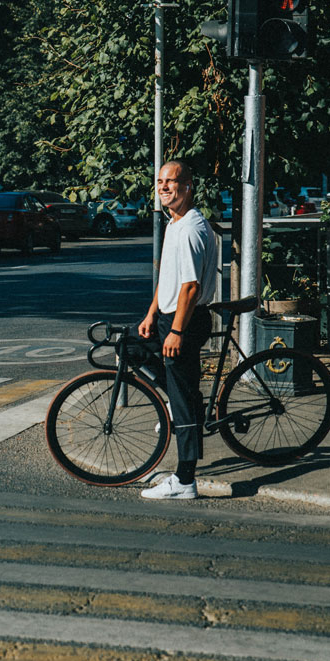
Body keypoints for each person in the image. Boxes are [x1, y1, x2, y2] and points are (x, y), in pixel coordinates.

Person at [138, 160, 220, 500]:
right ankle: (174, 398)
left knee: (185, 404)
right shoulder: (175, 222)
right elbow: (167, 278)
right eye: (160, 182)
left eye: (171, 182)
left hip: (185, 320)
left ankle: (185, 481)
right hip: (168, 316)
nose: (163, 187)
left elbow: (189, 287)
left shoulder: (190, 229)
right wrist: (150, 314)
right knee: (128, 348)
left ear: (188, 186)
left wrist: (176, 332)